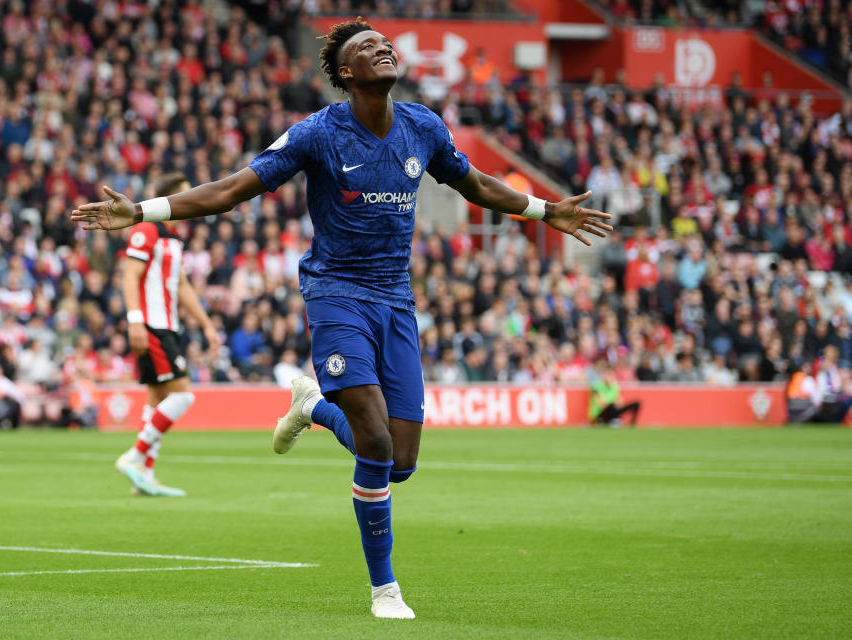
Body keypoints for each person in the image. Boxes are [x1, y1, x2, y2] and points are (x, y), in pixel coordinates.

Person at [72, 18, 612, 619]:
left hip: (396, 302)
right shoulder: (316, 134)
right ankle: (385, 589)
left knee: (399, 462)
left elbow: (478, 185)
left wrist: (545, 210)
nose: (382, 47)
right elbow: (231, 190)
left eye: (385, 42)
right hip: (336, 296)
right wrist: (144, 211)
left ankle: (313, 408)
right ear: (347, 74)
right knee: (376, 439)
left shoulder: (422, 127)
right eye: (366, 48)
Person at [113, 172, 219, 497]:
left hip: (168, 324)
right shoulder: (147, 230)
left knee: (156, 399)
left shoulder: (173, 238)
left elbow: (182, 285)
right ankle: (134, 457)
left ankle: (144, 476)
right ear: (170, 199)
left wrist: (206, 324)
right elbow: (130, 276)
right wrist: (134, 321)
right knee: (183, 394)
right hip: (152, 325)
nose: (192, 201)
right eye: (186, 195)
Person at [589, 359, 640, 427]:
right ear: (603, 376)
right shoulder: (596, 386)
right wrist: (613, 403)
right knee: (611, 406)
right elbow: (601, 404)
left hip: (612, 410)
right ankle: (604, 420)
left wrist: (616, 404)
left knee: (636, 404)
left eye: (611, 375)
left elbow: (620, 402)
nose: (610, 377)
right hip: (600, 413)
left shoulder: (614, 386)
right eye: (608, 375)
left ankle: (631, 423)